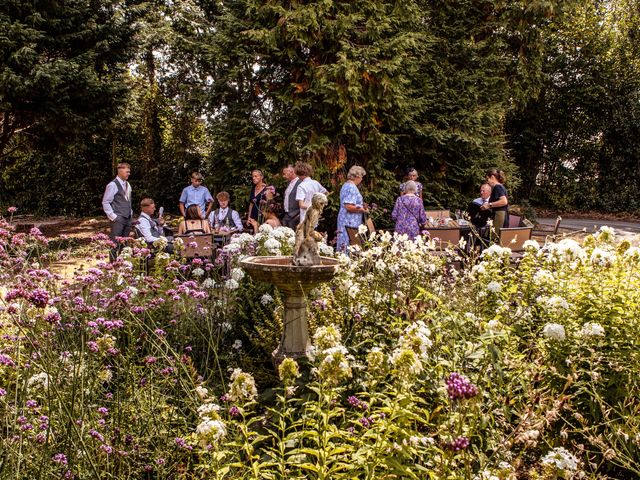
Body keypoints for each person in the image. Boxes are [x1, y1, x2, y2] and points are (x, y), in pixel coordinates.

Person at [102, 162, 133, 261]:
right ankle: (112, 266)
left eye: (129, 172)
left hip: (127, 218)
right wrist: (113, 216)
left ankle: (123, 266)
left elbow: (128, 200)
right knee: (114, 244)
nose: (129, 174)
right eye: (127, 171)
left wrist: (130, 213)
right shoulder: (112, 185)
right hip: (118, 219)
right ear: (120, 171)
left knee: (125, 245)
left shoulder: (128, 184)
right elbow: (106, 202)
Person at [336, 165, 368, 252]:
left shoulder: (346, 185)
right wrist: (362, 209)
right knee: (349, 243)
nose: (361, 179)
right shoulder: (351, 188)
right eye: (361, 177)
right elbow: (348, 206)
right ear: (357, 176)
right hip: (349, 221)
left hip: (345, 219)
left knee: (344, 243)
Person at [481, 169, 509, 235]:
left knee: (494, 239)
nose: (487, 182)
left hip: (499, 217)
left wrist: (489, 205)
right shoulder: (500, 187)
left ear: (492, 177)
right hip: (500, 216)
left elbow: (504, 201)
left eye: (488, 179)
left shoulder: (497, 187)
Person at [281, 165, 302, 229]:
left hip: (295, 216)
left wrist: (297, 215)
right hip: (286, 215)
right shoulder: (289, 183)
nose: (283, 176)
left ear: (291, 172)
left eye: (285, 174)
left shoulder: (300, 183)